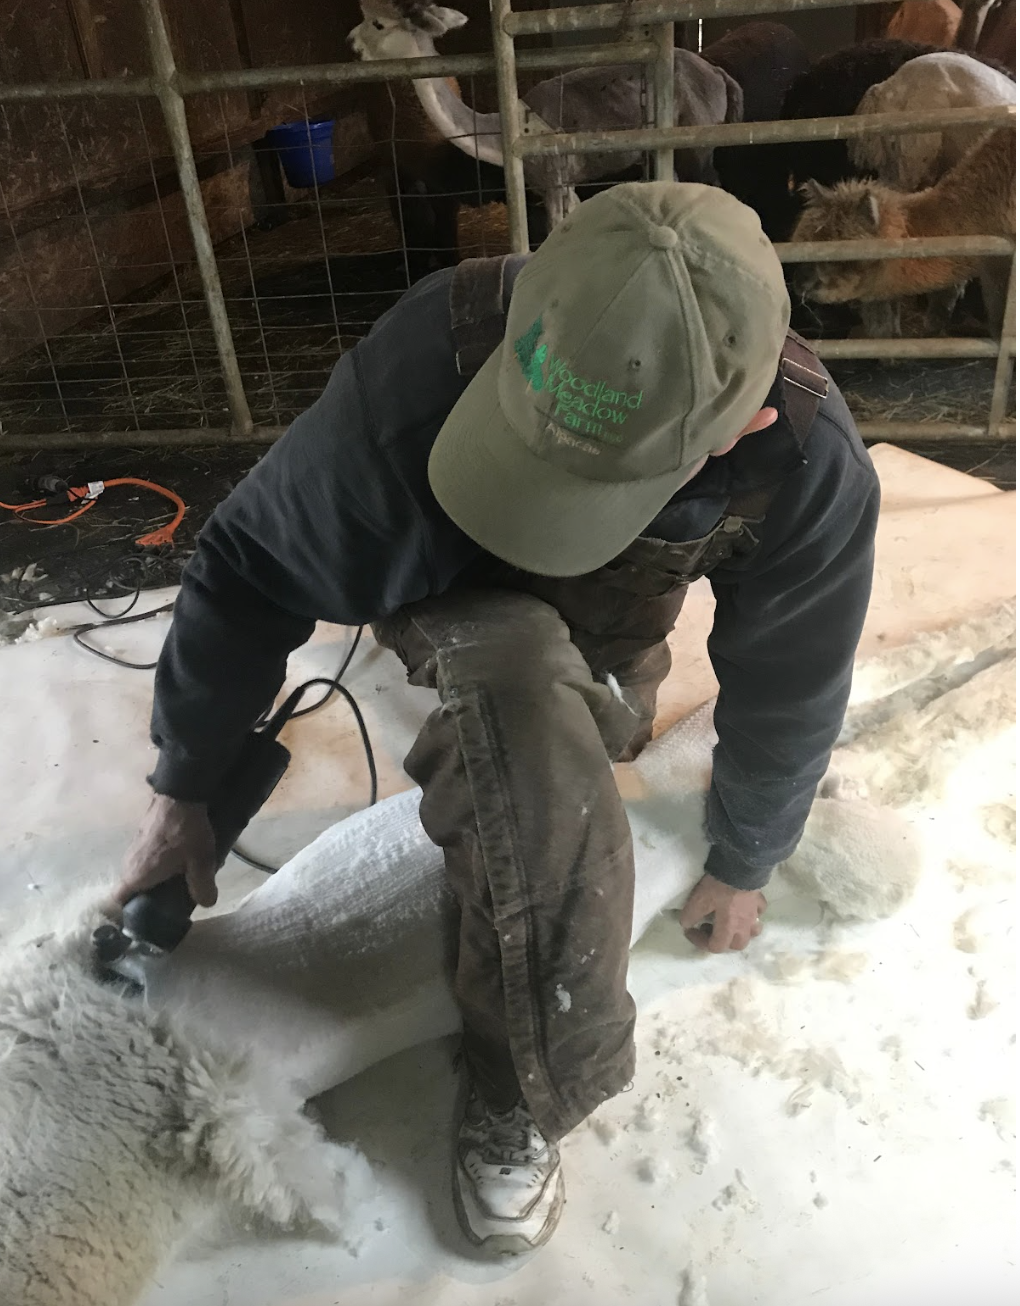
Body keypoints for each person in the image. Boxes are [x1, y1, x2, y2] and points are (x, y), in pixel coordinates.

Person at [116, 183, 879, 1256]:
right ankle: (523, 1083)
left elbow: (795, 674)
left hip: (618, 616)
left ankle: (584, 706)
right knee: (526, 730)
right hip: (452, 584)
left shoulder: (803, 458)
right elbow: (252, 560)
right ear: (531, 322)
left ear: (738, 426)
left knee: (590, 728)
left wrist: (749, 851)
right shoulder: (437, 347)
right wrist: (185, 781)